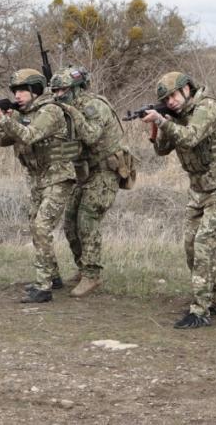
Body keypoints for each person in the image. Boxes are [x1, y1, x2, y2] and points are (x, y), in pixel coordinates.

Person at [141, 72, 216, 329]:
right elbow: (162, 150)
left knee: (204, 243)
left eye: (174, 95)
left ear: (187, 88)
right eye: (166, 99)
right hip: (199, 187)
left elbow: (190, 137)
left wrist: (163, 121)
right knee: (190, 244)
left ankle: (200, 310)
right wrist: (160, 123)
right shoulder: (177, 115)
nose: (172, 101)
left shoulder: (207, 108)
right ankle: (211, 298)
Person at [0, 69, 81, 303]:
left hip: (58, 176)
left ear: (35, 90)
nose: (17, 95)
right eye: (15, 91)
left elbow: (29, 136)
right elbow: (3, 141)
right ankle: (52, 276)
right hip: (38, 179)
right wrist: (5, 119)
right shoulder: (24, 113)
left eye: (22, 90)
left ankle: (43, 287)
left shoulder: (50, 111)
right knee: (34, 224)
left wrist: (3, 118)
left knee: (42, 225)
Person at [50, 66, 132, 298]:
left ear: (76, 89)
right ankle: (83, 267)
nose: (58, 95)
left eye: (63, 90)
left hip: (106, 171)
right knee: (69, 223)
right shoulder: (70, 106)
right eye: (55, 91)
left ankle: (92, 275)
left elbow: (91, 136)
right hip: (85, 172)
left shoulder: (94, 106)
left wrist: (71, 113)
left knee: (87, 220)